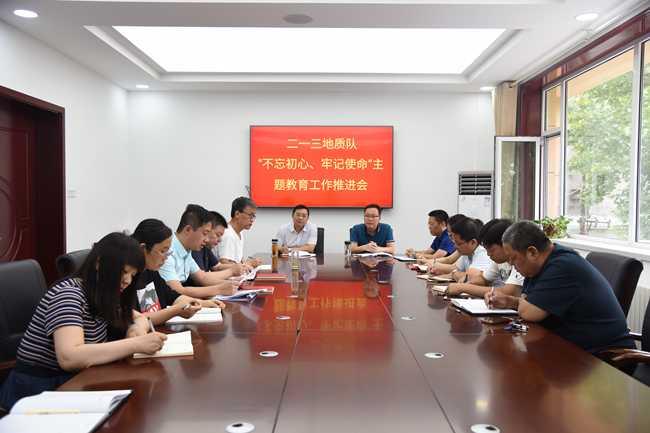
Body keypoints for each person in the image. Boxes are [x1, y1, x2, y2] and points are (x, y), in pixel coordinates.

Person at [0, 233, 167, 410]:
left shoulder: (102, 294)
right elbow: (69, 357)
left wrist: (137, 330)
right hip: (38, 391)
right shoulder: (69, 294)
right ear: (99, 263)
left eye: (133, 275)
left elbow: (140, 317)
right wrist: (135, 344)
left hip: (76, 381)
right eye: (124, 272)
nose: (128, 280)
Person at [488, 221, 634, 353]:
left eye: (513, 258)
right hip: (572, 347)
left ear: (532, 252)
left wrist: (519, 304)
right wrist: (509, 302)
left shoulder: (562, 266)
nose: (511, 264)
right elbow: (526, 302)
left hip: (605, 357)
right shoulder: (538, 266)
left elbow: (530, 312)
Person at [132, 218, 224, 325]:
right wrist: (175, 311)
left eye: (167, 252)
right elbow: (138, 319)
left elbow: (172, 296)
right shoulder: (129, 280)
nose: (166, 257)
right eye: (162, 251)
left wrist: (202, 303)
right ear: (143, 249)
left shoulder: (151, 272)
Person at [159, 204, 238, 299]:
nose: (207, 239)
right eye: (205, 233)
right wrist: (219, 289)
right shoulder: (167, 251)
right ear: (188, 230)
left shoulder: (186, 250)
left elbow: (202, 277)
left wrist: (233, 284)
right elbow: (177, 290)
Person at [447, 219, 524, 297]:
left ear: (505, 244)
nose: (488, 254)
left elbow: (509, 292)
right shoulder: (499, 261)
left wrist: (464, 288)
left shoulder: (519, 260)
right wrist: (467, 283)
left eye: (492, 250)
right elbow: (483, 279)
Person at [218, 197, 262, 268]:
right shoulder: (228, 234)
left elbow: (238, 261)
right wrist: (248, 264)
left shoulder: (239, 232)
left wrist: (247, 263)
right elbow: (224, 263)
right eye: (250, 215)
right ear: (237, 214)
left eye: (253, 216)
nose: (252, 220)